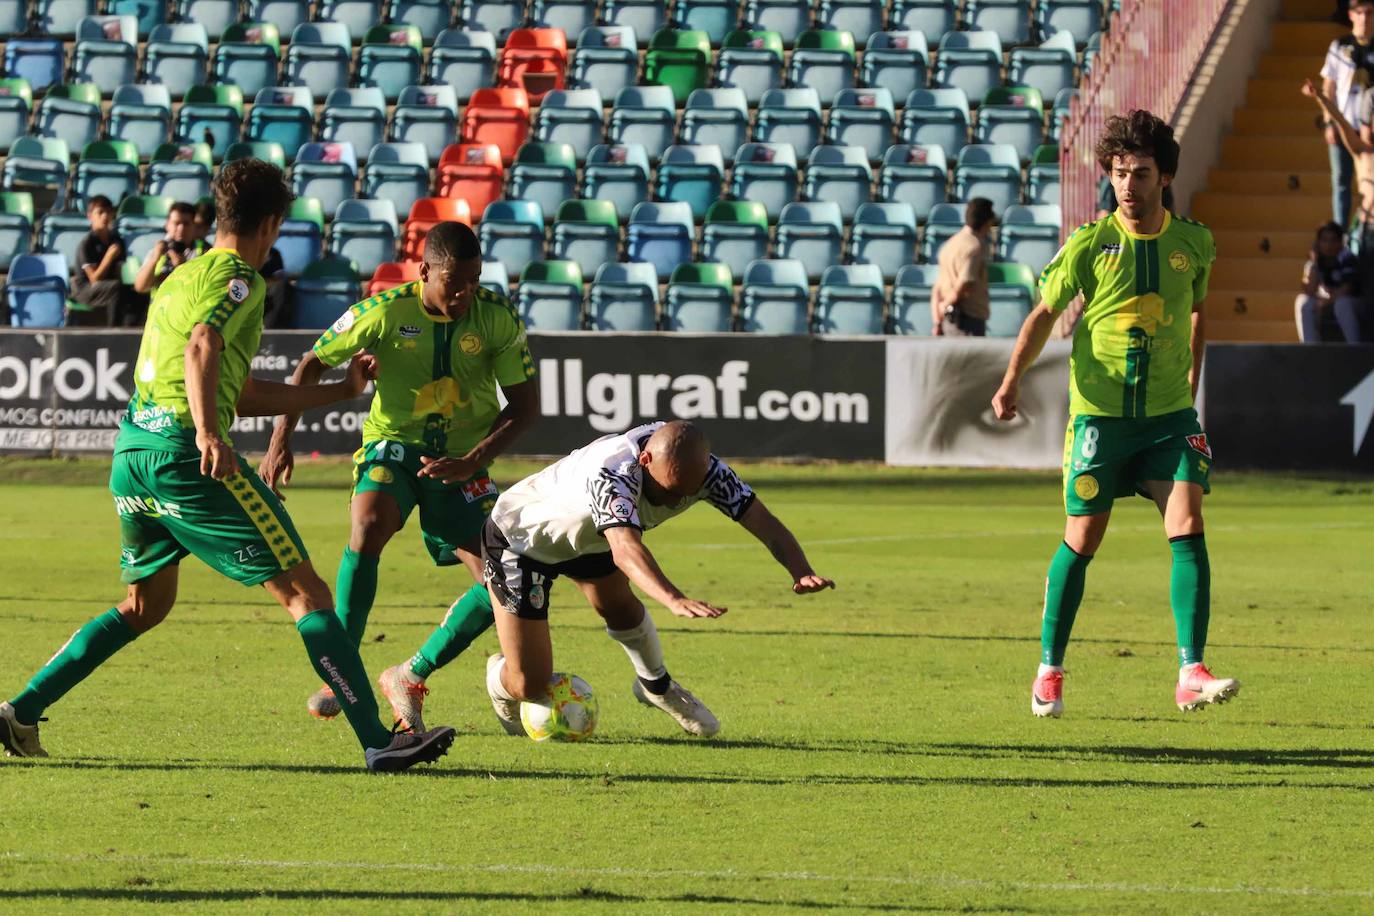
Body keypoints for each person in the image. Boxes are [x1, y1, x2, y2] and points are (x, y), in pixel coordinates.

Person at [0, 159, 455, 773]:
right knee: (307, 594)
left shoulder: (178, 278)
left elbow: (233, 389)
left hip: (133, 456)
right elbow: (202, 348)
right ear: (272, 223)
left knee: (143, 606)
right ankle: (378, 738)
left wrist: (339, 391)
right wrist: (211, 434)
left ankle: (20, 711)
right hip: (187, 457)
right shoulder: (241, 279)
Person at [990, 110, 1239, 718]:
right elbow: (1044, 314)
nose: (1127, 185)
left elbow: (1200, 312)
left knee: (1187, 523)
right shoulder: (1091, 243)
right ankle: (1050, 667)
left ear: (1166, 177)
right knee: (1083, 537)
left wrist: (1191, 381)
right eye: (1119, 173)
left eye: (1140, 173)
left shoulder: (1194, 243)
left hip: (1170, 417)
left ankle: (1190, 669)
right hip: (1100, 417)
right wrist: (1010, 380)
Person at [262, 221, 540, 730]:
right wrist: (282, 439)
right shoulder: (384, 311)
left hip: (461, 461)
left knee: (502, 581)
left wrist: (473, 460)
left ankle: (411, 674)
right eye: (453, 283)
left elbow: (525, 408)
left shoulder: (496, 316)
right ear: (424, 270)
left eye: (473, 282)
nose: (463, 295)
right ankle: (339, 672)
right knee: (368, 527)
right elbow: (309, 366)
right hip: (394, 448)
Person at [476, 420, 835, 738]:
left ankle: (656, 687)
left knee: (622, 610)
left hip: (589, 539)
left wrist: (800, 570)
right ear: (645, 462)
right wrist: (673, 598)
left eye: (684, 494)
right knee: (531, 682)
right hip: (523, 540)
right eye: (666, 491)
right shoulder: (613, 472)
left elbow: (762, 520)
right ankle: (499, 679)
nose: (672, 502)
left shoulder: (709, 472)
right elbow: (625, 549)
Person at [1320, 0, 1374, 226]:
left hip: (1368, 131)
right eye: (1359, 12)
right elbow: (1328, 87)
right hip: (1343, 125)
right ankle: (1340, 232)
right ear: (1351, 15)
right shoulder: (1339, 45)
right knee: (1341, 180)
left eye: (1369, 12)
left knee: (1369, 182)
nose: (1364, 18)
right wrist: (1328, 123)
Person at [930, 198, 994, 337]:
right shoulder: (974, 247)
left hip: (949, 320)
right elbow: (964, 285)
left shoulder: (949, 244)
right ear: (987, 221)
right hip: (967, 321)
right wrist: (945, 305)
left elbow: (937, 289)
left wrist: (937, 320)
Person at [1296, 221, 1368, 341]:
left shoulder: (1347, 258)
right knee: (1303, 302)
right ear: (1318, 243)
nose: (1329, 245)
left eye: (1333, 240)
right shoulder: (1316, 261)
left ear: (1340, 242)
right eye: (1324, 240)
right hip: (1330, 302)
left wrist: (1326, 302)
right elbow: (1310, 290)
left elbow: (1348, 289)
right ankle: (1311, 349)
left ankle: (1355, 349)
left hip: (1355, 303)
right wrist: (1314, 263)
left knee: (1342, 304)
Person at [67, 194, 132, 327]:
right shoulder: (87, 244)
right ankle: (113, 332)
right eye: (100, 212)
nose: (105, 216)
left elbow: (118, 272)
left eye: (108, 212)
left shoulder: (117, 240)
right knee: (116, 288)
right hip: (85, 289)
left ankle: (132, 330)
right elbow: (94, 279)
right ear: (90, 216)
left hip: (108, 286)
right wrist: (108, 257)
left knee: (135, 292)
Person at [133, 202, 207, 296]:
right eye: (176, 223)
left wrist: (182, 268)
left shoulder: (205, 251)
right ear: (167, 225)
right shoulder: (158, 250)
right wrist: (154, 259)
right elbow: (140, 287)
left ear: (194, 226)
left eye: (186, 224)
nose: (181, 228)